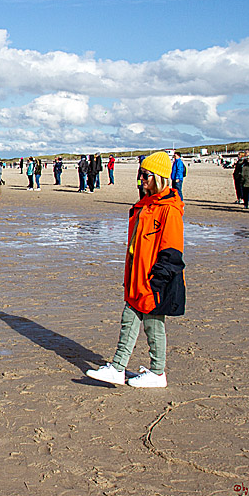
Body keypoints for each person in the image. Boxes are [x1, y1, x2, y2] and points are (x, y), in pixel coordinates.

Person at [86, 151, 185, 388]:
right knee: (129, 319)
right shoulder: (145, 205)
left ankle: (157, 372)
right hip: (136, 277)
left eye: (146, 175)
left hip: (153, 280)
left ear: (159, 177)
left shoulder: (168, 209)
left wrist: (156, 282)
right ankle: (118, 368)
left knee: (153, 325)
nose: (141, 180)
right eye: (140, 174)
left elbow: (172, 253)